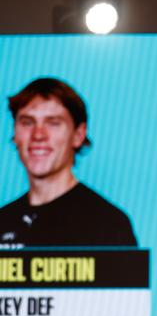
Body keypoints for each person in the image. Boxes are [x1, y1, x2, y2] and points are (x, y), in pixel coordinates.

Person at [0, 78, 137, 247]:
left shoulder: (109, 225)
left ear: (78, 135)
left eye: (53, 123)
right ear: (15, 134)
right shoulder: (3, 220)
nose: (38, 135)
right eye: (27, 122)